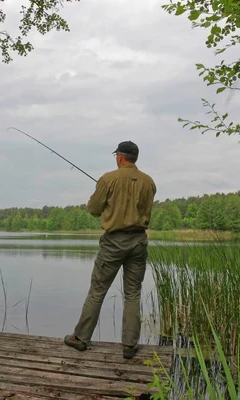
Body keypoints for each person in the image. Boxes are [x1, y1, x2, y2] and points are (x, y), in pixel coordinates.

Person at [64, 140, 156, 359]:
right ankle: (130, 345)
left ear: (120, 157)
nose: (116, 159)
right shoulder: (149, 182)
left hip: (113, 243)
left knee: (97, 290)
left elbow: (93, 209)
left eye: (116, 156)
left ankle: (81, 338)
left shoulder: (107, 179)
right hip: (138, 242)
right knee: (133, 293)